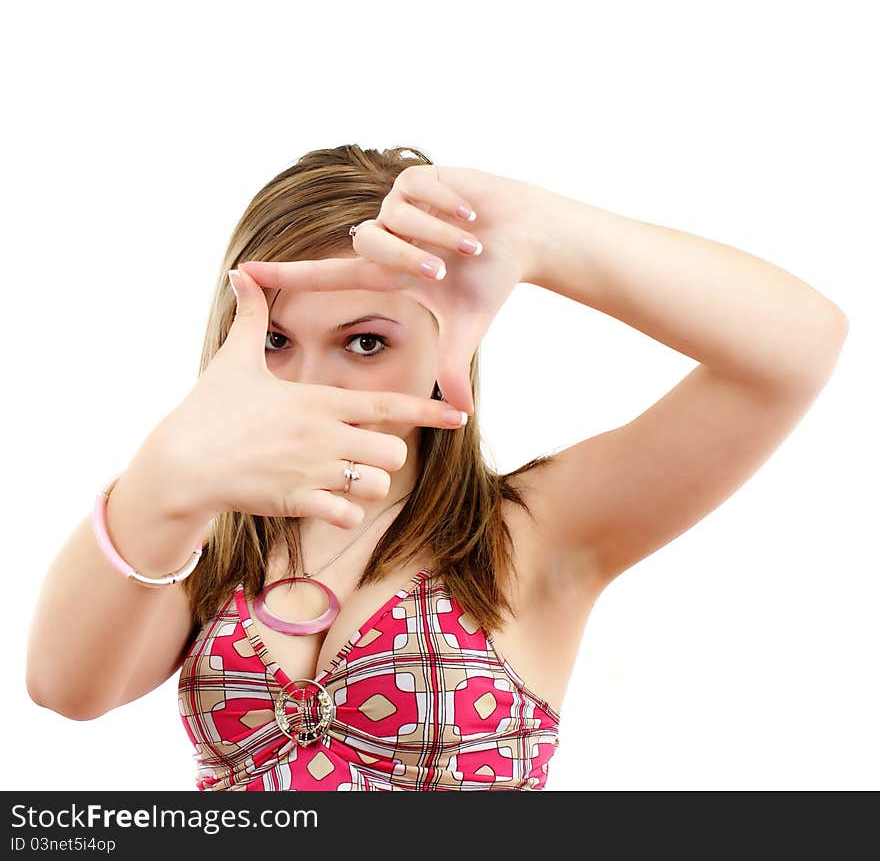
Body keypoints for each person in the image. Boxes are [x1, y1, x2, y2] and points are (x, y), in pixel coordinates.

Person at [26, 144, 849, 791]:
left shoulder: (532, 534)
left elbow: (795, 348)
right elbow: (67, 689)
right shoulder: (203, 545)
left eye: (366, 341)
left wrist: (540, 234)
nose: (310, 386)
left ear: (448, 334)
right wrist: (166, 476)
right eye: (275, 340)